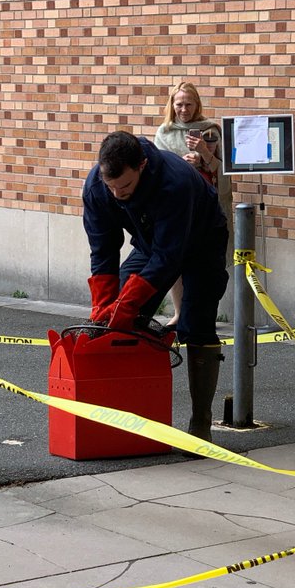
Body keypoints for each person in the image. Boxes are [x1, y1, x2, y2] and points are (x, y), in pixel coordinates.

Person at [83, 131, 229, 445]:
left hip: (202, 240)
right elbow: (103, 250)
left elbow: (169, 257)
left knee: (197, 323)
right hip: (152, 244)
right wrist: (105, 307)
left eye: (125, 186)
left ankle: (201, 423)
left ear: (143, 166)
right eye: (111, 186)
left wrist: (129, 303)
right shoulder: (98, 186)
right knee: (117, 318)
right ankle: (128, 413)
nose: (118, 194)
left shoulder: (173, 182)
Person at [153, 82, 233, 325]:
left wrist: (203, 154)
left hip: (205, 205)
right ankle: (178, 312)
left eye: (189, 104)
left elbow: (222, 169)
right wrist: (182, 165)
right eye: (179, 104)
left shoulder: (210, 130)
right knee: (175, 259)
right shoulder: (164, 132)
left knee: (204, 260)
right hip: (177, 205)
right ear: (172, 105)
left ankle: (201, 313)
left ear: (197, 104)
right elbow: (159, 169)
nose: (184, 109)